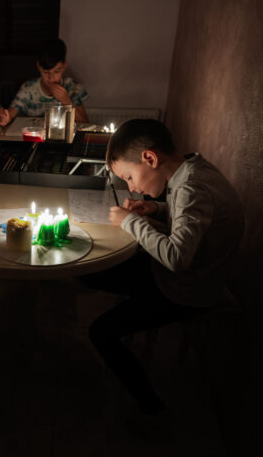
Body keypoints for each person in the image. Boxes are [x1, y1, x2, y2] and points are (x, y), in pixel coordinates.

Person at [86, 119, 244, 414]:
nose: (132, 188)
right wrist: (156, 208)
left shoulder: (192, 188)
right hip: (186, 275)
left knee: (101, 332)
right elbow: (192, 214)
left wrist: (130, 222)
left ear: (149, 158)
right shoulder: (194, 169)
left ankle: (151, 407)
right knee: (91, 272)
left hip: (186, 292)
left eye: (129, 177)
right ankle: (133, 304)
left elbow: (176, 257)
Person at [0, 38, 89, 126]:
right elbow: (12, 111)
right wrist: (5, 117)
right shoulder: (28, 89)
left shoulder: (73, 87)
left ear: (64, 66)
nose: (51, 78)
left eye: (57, 71)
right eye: (46, 72)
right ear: (39, 67)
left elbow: (85, 123)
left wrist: (67, 101)